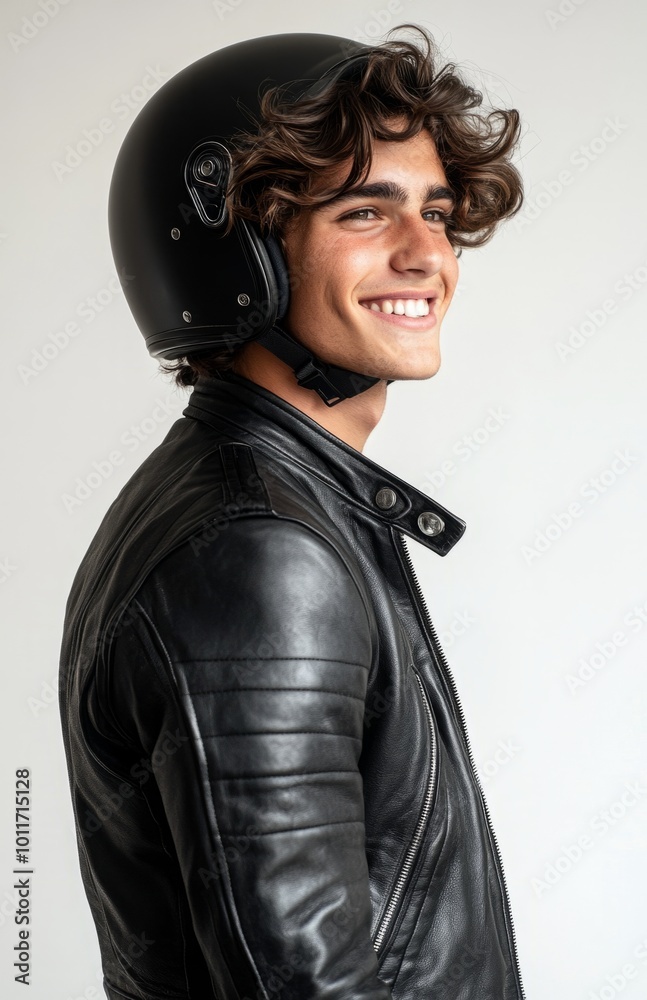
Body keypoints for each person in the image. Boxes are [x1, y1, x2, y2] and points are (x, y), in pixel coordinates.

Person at [59, 25, 526, 1000]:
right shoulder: (263, 552)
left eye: (436, 213)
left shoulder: (261, 503)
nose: (425, 254)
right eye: (365, 212)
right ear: (242, 250)